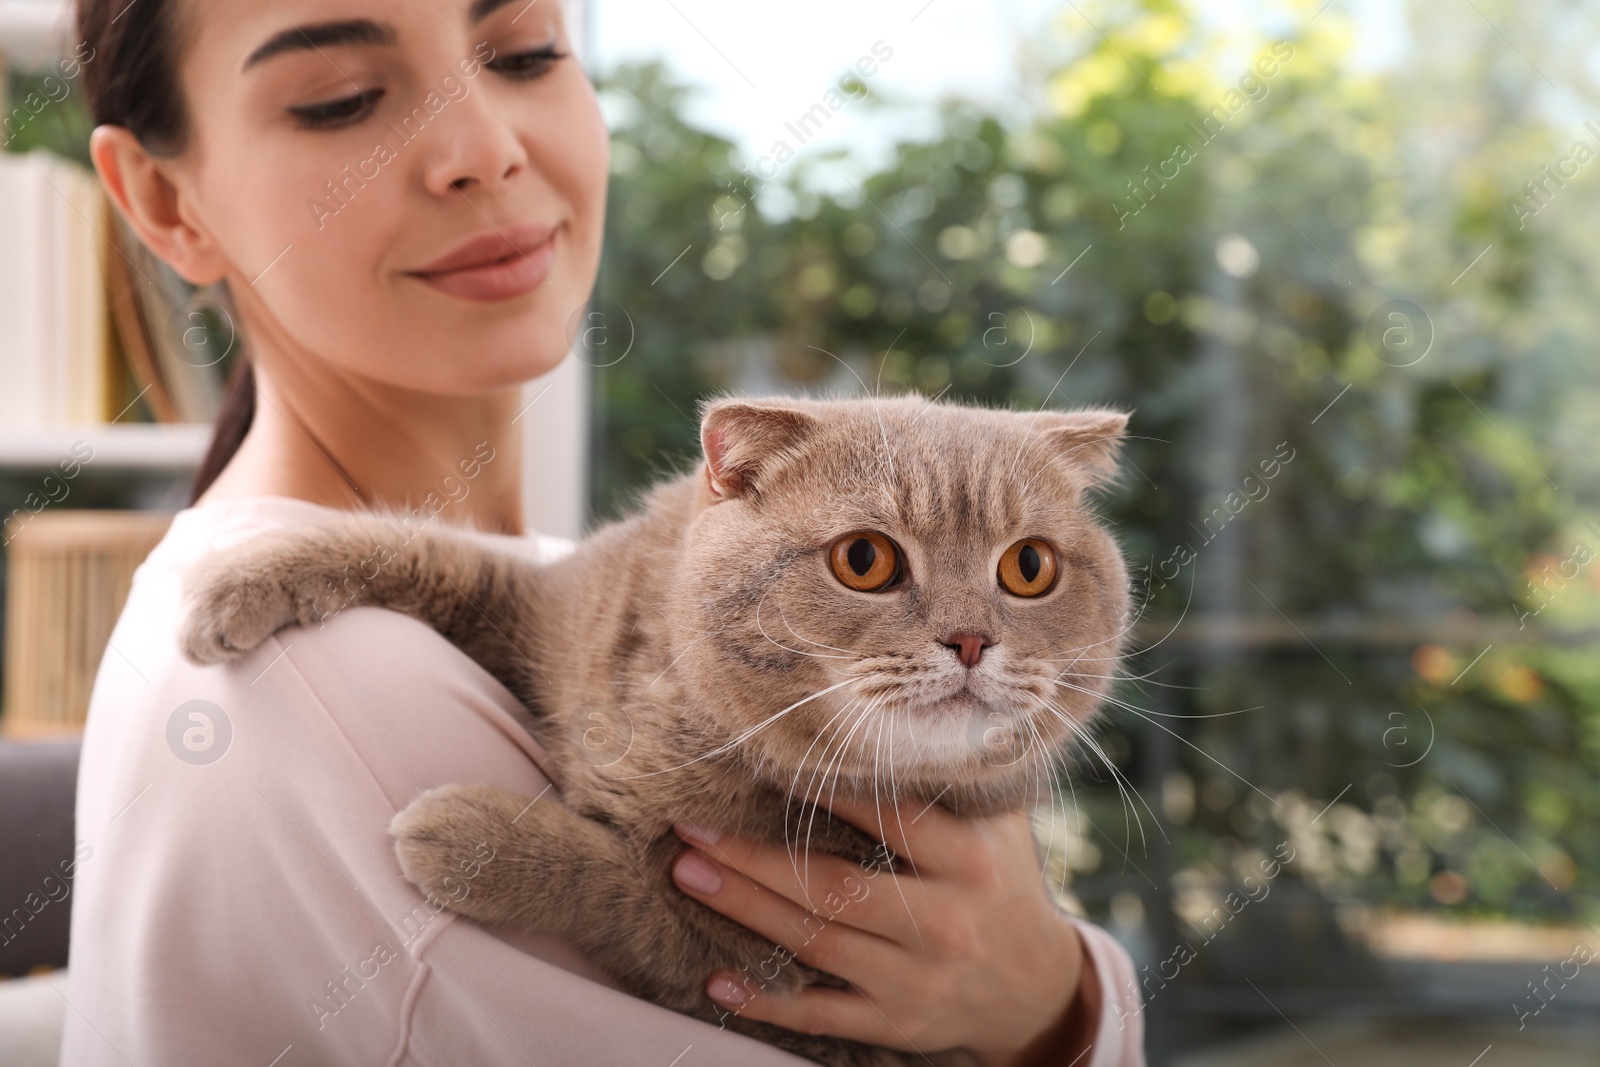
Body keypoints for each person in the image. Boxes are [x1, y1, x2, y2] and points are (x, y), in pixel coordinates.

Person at [62, 0, 1145, 1063]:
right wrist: (1059, 1009)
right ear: (164, 202)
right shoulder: (324, 681)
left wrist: (1054, 1000)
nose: (482, 151)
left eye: (526, 53)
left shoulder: (544, 586)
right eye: (341, 101)